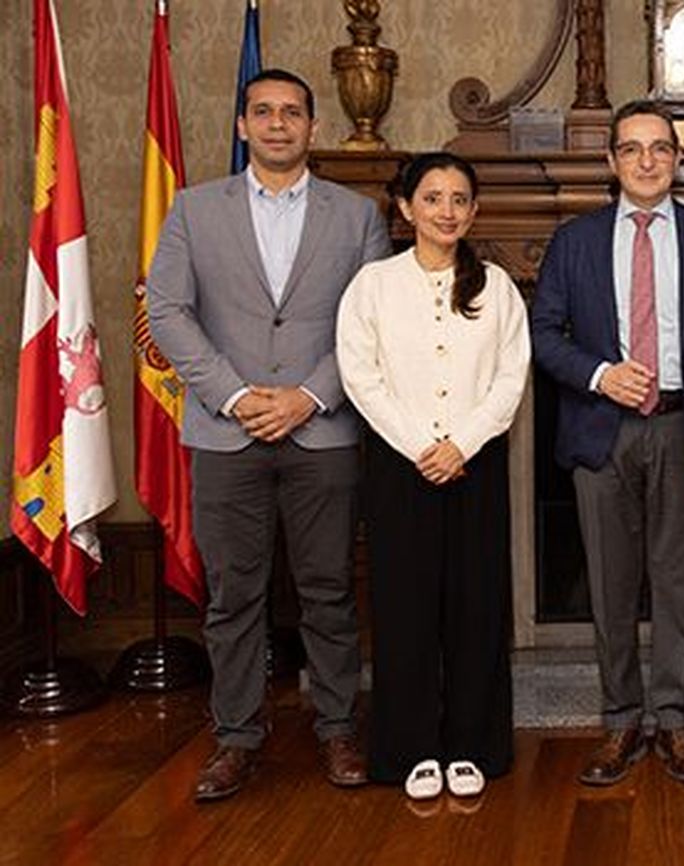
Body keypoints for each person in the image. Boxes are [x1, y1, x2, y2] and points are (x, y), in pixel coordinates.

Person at [147, 68, 391, 801]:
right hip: (226, 435)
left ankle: (338, 729)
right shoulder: (194, 210)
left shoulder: (358, 216)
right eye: (263, 111)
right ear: (243, 125)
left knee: (329, 591)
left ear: (313, 127)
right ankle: (236, 737)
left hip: (324, 434)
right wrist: (235, 396)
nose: (278, 123)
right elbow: (167, 312)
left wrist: (309, 397)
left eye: (291, 112)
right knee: (233, 598)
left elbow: (372, 322)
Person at [529, 100, 684, 786]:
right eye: (631, 148)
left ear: (677, 160)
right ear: (611, 160)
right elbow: (543, 335)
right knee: (611, 583)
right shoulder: (575, 240)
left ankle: (675, 718)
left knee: (678, 582)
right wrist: (601, 375)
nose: (646, 161)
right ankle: (621, 717)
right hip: (602, 430)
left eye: (659, 148)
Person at [336, 153, 530, 801]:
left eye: (459, 199)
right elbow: (361, 376)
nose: (446, 211)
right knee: (405, 609)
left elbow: (510, 378)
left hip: (477, 464)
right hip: (401, 467)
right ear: (405, 207)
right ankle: (410, 747)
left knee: (477, 608)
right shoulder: (372, 285)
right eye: (432, 198)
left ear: (474, 211)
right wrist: (422, 445)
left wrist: (462, 444)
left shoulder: (497, 286)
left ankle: (474, 744)